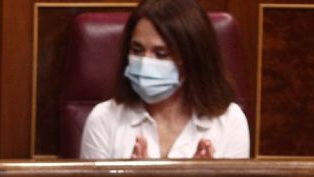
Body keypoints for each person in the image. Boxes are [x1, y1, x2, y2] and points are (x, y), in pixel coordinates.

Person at [79, 0, 249, 160]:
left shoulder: (230, 122)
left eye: (161, 54)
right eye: (137, 50)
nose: (145, 62)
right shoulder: (103, 119)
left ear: (193, 58)